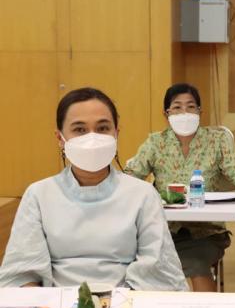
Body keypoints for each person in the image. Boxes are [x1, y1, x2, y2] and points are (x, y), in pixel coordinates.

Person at [0, 87, 188, 290]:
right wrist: (45, 307)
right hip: (55, 304)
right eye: (80, 130)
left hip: (127, 300)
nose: (92, 138)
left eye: (103, 128)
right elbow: (22, 274)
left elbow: (157, 271)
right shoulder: (39, 195)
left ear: (116, 134)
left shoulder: (142, 195)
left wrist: (118, 304)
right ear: (60, 139)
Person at [125, 83, 235, 292]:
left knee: (196, 262)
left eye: (190, 107)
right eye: (177, 107)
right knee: (141, 262)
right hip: (162, 228)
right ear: (166, 113)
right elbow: (131, 177)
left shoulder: (217, 140)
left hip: (206, 230)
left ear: (200, 112)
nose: (184, 113)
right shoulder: (155, 142)